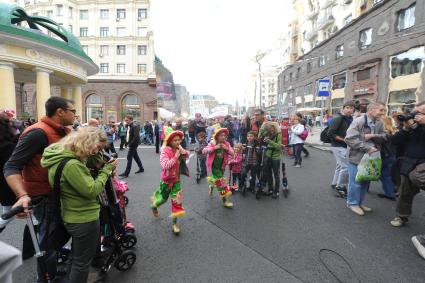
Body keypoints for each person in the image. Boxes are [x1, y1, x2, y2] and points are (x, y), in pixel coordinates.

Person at [4, 97, 75, 281]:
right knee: (47, 243)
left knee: (58, 236)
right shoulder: (37, 133)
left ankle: (50, 269)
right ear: (60, 112)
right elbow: (11, 166)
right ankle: (44, 277)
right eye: (72, 111)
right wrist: (22, 195)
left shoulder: (61, 131)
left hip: (59, 195)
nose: (75, 114)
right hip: (44, 197)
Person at [41, 127, 116, 283]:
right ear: (87, 141)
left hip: (71, 214)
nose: (96, 151)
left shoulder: (58, 155)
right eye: (96, 147)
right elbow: (92, 190)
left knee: (76, 257)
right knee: (82, 263)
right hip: (84, 218)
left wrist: (97, 157)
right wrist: (106, 171)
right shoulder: (72, 165)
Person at [345, 102, 387, 216]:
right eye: (381, 110)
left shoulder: (379, 122)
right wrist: (367, 147)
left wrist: (373, 136)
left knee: (365, 182)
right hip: (356, 157)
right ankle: (352, 203)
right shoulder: (359, 121)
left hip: (371, 158)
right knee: (356, 182)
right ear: (372, 110)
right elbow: (349, 139)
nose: (383, 113)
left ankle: (359, 202)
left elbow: (385, 136)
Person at [389, 101, 425, 227]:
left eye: (419, 113)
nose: (415, 116)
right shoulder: (411, 127)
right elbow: (394, 141)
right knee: (405, 192)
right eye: (414, 112)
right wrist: (405, 128)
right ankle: (401, 216)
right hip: (409, 163)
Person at [151, 130, 189, 234]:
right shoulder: (164, 151)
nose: (177, 142)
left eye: (179, 140)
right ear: (169, 141)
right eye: (175, 140)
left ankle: (175, 224)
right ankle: (154, 206)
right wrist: (176, 156)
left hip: (176, 181)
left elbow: (187, 155)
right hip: (166, 181)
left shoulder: (178, 148)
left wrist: (183, 152)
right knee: (163, 199)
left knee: (177, 202)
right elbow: (165, 165)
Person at [327, 101, 355, 197]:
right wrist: (344, 140)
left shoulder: (350, 119)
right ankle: (341, 187)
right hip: (338, 145)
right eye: (347, 107)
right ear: (343, 108)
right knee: (346, 166)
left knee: (340, 165)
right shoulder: (338, 118)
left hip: (344, 145)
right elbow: (330, 133)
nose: (349, 110)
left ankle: (335, 183)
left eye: (351, 108)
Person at [203, 128, 234, 208]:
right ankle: (225, 201)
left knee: (217, 180)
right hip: (214, 167)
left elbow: (233, 153)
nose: (223, 137)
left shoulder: (226, 144)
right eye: (221, 135)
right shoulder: (213, 143)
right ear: (217, 136)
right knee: (221, 183)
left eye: (224, 135)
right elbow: (204, 151)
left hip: (222, 167)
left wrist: (226, 149)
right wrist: (214, 148)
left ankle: (211, 186)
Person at [0, 114, 18, 233]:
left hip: (4, 185)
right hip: (9, 183)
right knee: (8, 214)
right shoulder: (8, 146)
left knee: (7, 214)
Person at [259, 122, 282, 198]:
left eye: (270, 128)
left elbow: (278, 146)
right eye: (268, 129)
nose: (269, 130)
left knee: (276, 174)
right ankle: (270, 189)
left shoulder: (279, 134)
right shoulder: (267, 133)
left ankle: (276, 191)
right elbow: (259, 137)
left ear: (274, 127)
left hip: (275, 157)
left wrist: (269, 141)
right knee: (268, 174)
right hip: (268, 156)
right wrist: (262, 129)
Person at [378, 116, 397, 201]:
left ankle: (364, 189)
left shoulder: (384, 133)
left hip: (384, 156)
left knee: (372, 172)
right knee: (387, 175)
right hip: (392, 155)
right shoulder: (394, 131)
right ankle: (390, 193)